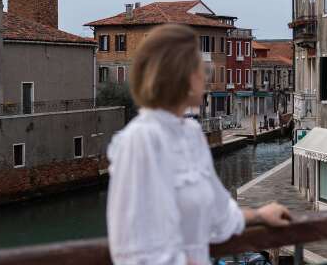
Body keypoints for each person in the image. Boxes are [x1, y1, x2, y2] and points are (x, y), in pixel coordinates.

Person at [107, 24, 291, 265]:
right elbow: (127, 246)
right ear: (178, 76)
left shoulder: (191, 134)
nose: (207, 77)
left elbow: (219, 214)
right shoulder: (139, 141)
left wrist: (259, 215)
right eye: (201, 70)